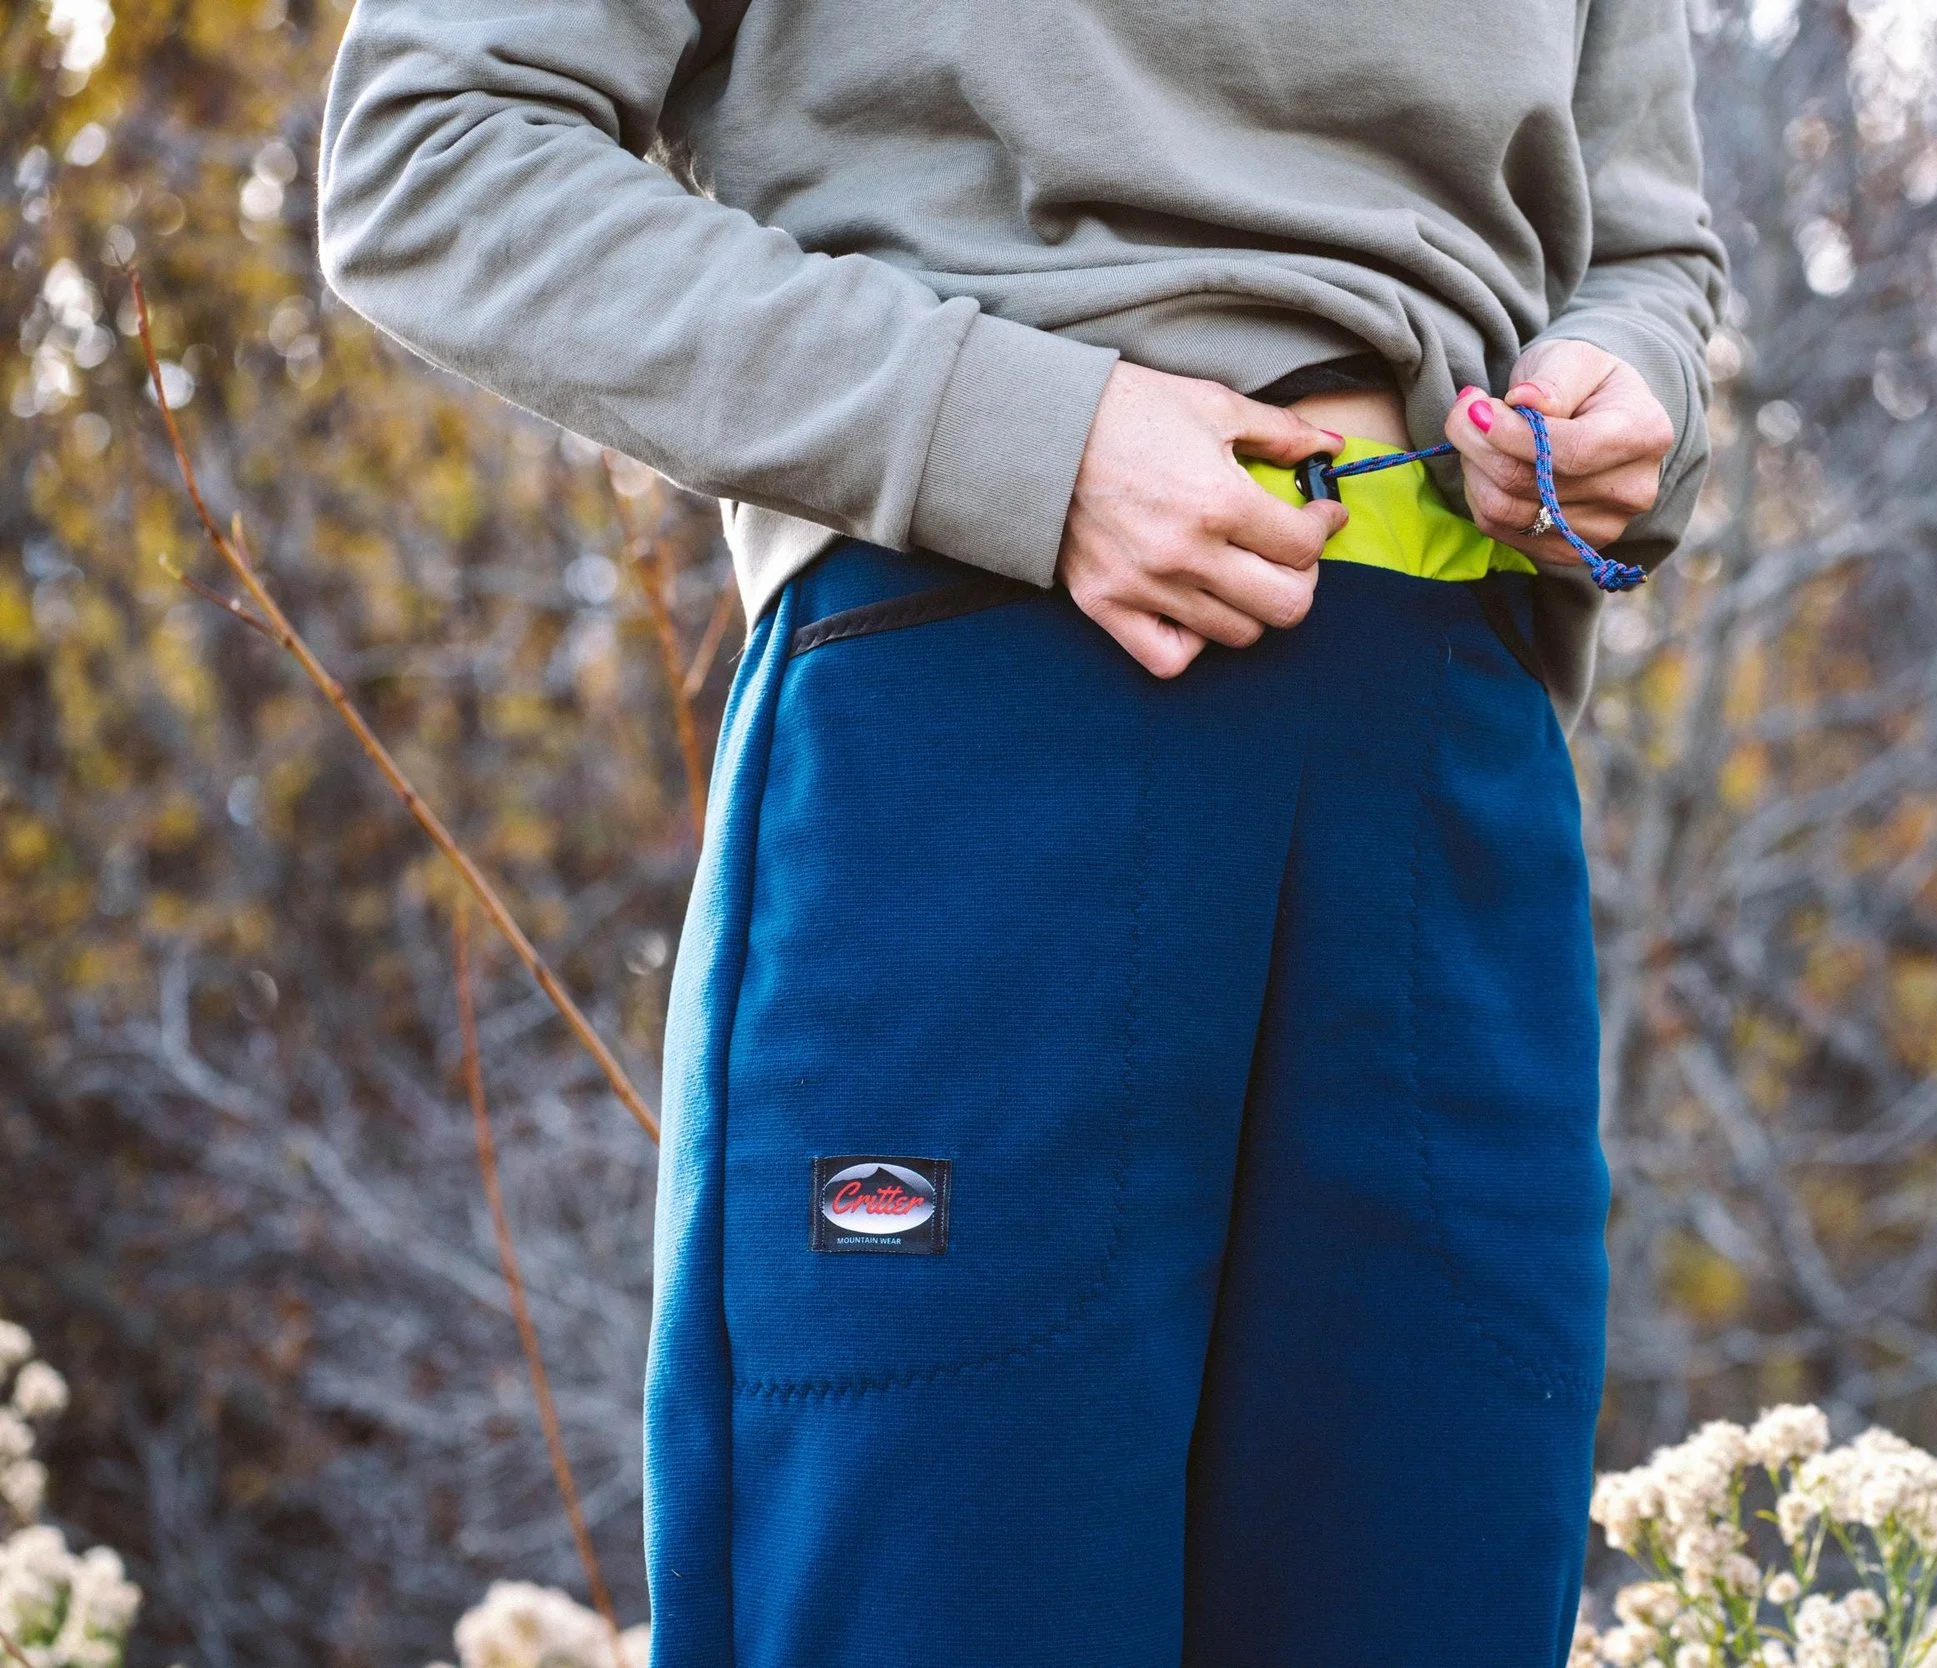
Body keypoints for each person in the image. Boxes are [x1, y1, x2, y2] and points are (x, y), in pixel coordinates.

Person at [317, 0, 1727, 1661]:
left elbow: (1647, 255)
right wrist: (1027, 442)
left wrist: (1634, 396)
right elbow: (433, 149)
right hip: (975, 726)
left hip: (1446, 769)